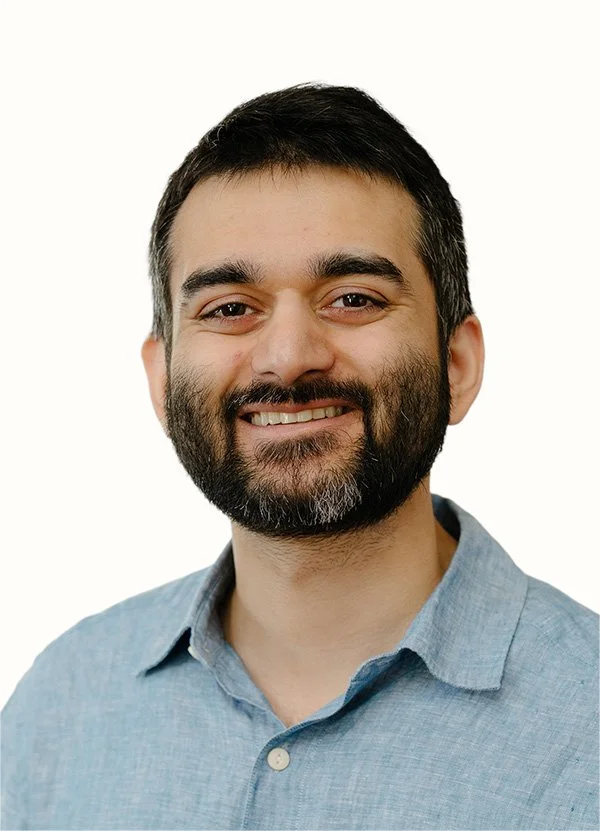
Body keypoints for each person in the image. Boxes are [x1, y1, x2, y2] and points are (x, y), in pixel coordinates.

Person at [2, 83, 598, 831]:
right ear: (161, 381)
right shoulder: (59, 706)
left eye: (353, 298)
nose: (287, 358)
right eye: (229, 308)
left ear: (457, 363)